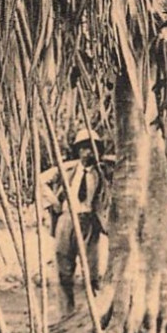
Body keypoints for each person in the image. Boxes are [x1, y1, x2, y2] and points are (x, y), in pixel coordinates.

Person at [40, 129, 113, 316]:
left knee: (92, 272)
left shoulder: (102, 172)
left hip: (90, 222)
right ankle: (66, 314)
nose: (87, 153)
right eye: (83, 149)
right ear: (78, 151)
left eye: (92, 149)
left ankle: (96, 314)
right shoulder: (68, 169)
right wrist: (55, 202)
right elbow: (40, 180)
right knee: (63, 269)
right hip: (66, 220)